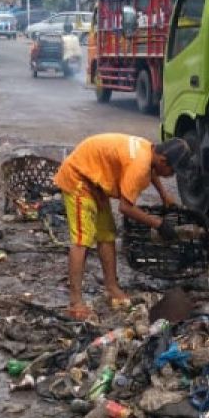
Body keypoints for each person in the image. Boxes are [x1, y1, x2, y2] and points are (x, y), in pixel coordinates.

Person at [54, 135, 191, 319]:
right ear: (163, 160)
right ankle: (75, 302)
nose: (171, 176)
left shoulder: (149, 151)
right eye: (172, 172)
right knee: (81, 240)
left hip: (96, 182)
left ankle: (111, 287)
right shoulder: (139, 166)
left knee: (107, 235)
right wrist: (158, 224)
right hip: (79, 178)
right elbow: (126, 207)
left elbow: (152, 172)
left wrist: (164, 194)